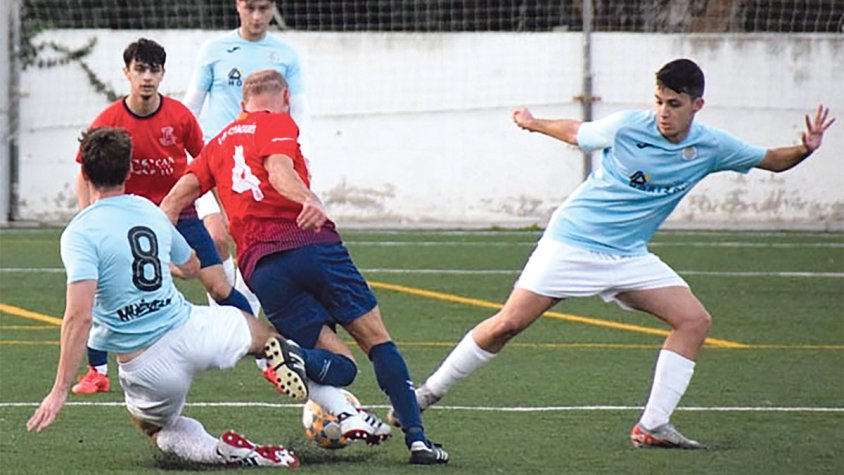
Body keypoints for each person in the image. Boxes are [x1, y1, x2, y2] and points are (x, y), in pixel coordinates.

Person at [393, 58, 835, 449]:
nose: (663, 111)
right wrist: (534, 122)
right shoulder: (628, 126)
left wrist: (805, 149)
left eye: (674, 103)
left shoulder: (711, 146)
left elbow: (771, 159)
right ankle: (423, 397)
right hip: (573, 242)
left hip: (628, 256)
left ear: (697, 105)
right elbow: (579, 134)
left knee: (694, 320)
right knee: (507, 324)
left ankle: (654, 424)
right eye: (659, 101)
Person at [161, 69, 448, 465]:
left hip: (261, 269)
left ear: (243, 103)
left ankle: (297, 359)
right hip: (310, 245)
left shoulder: (217, 144)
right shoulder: (280, 123)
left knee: (340, 368)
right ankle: (418, 440)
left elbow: (173, 202)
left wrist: (171, 257)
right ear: (286, 98)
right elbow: (280, 170)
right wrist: (309, 199)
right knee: (374, 338)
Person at [27, 127, 307, 467]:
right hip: (190, 328)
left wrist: (59, 390)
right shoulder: (148, 210)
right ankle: (329, 393)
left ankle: (224, 452)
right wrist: (167, 267)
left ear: (84, 173)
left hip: (147, 363)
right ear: (129, 171)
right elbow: (190, 264)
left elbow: (79, 318)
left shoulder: (80, 232)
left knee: (156, 427)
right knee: (256, 331)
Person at [69, 38, 254, 396]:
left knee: (219, 286)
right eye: (140, 69)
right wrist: (87, 217)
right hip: (127, 223)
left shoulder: (180, 117)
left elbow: (207, 165)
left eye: (154, 69)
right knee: (101, 292)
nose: (147, 77)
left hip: (180, 218)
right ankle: (95, 372)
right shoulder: (108, 120)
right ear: (127, 73)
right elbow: (84, 170)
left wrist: (220, 212)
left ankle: (266, 354)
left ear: (163, 74)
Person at [183, 0, 314, 315]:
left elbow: (299, 112)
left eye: (264, 9)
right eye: (250, 8)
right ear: (238, 6)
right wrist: (188, 153)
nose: (256, 17)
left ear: (273, 9)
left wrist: (302, 156)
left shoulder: (285, 55)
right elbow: (190, 108)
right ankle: (227, 311)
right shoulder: (215, 50)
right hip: (216, 161)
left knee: (251, 243)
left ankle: (245, 312)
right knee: (215, 238)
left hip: (259, 165)